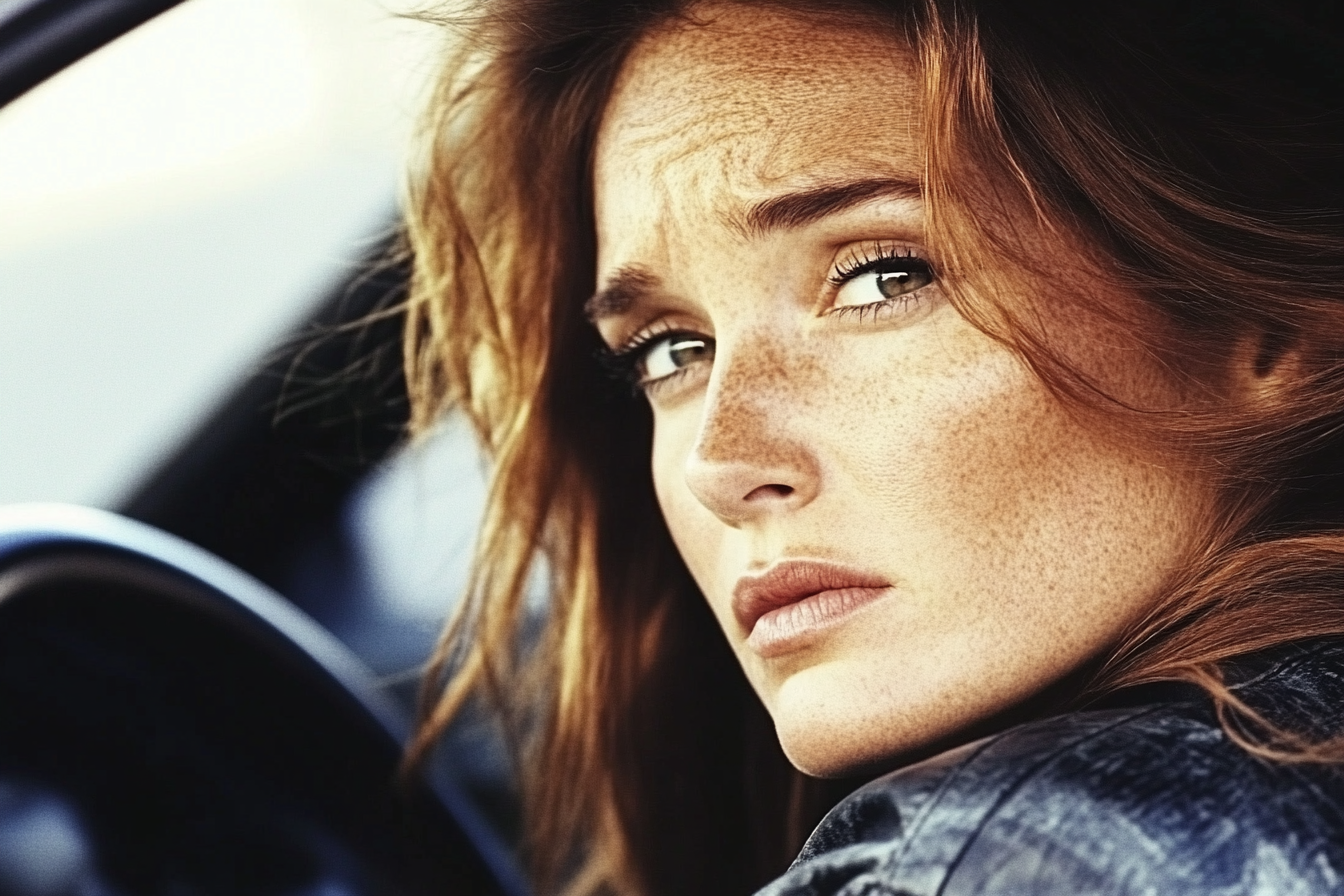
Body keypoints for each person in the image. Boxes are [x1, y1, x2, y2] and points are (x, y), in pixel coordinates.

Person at [399, 1, 1344, 893]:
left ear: (1268, 323)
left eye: (881, 278)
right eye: (672, 351)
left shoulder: (1004, 853)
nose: (720, 465)